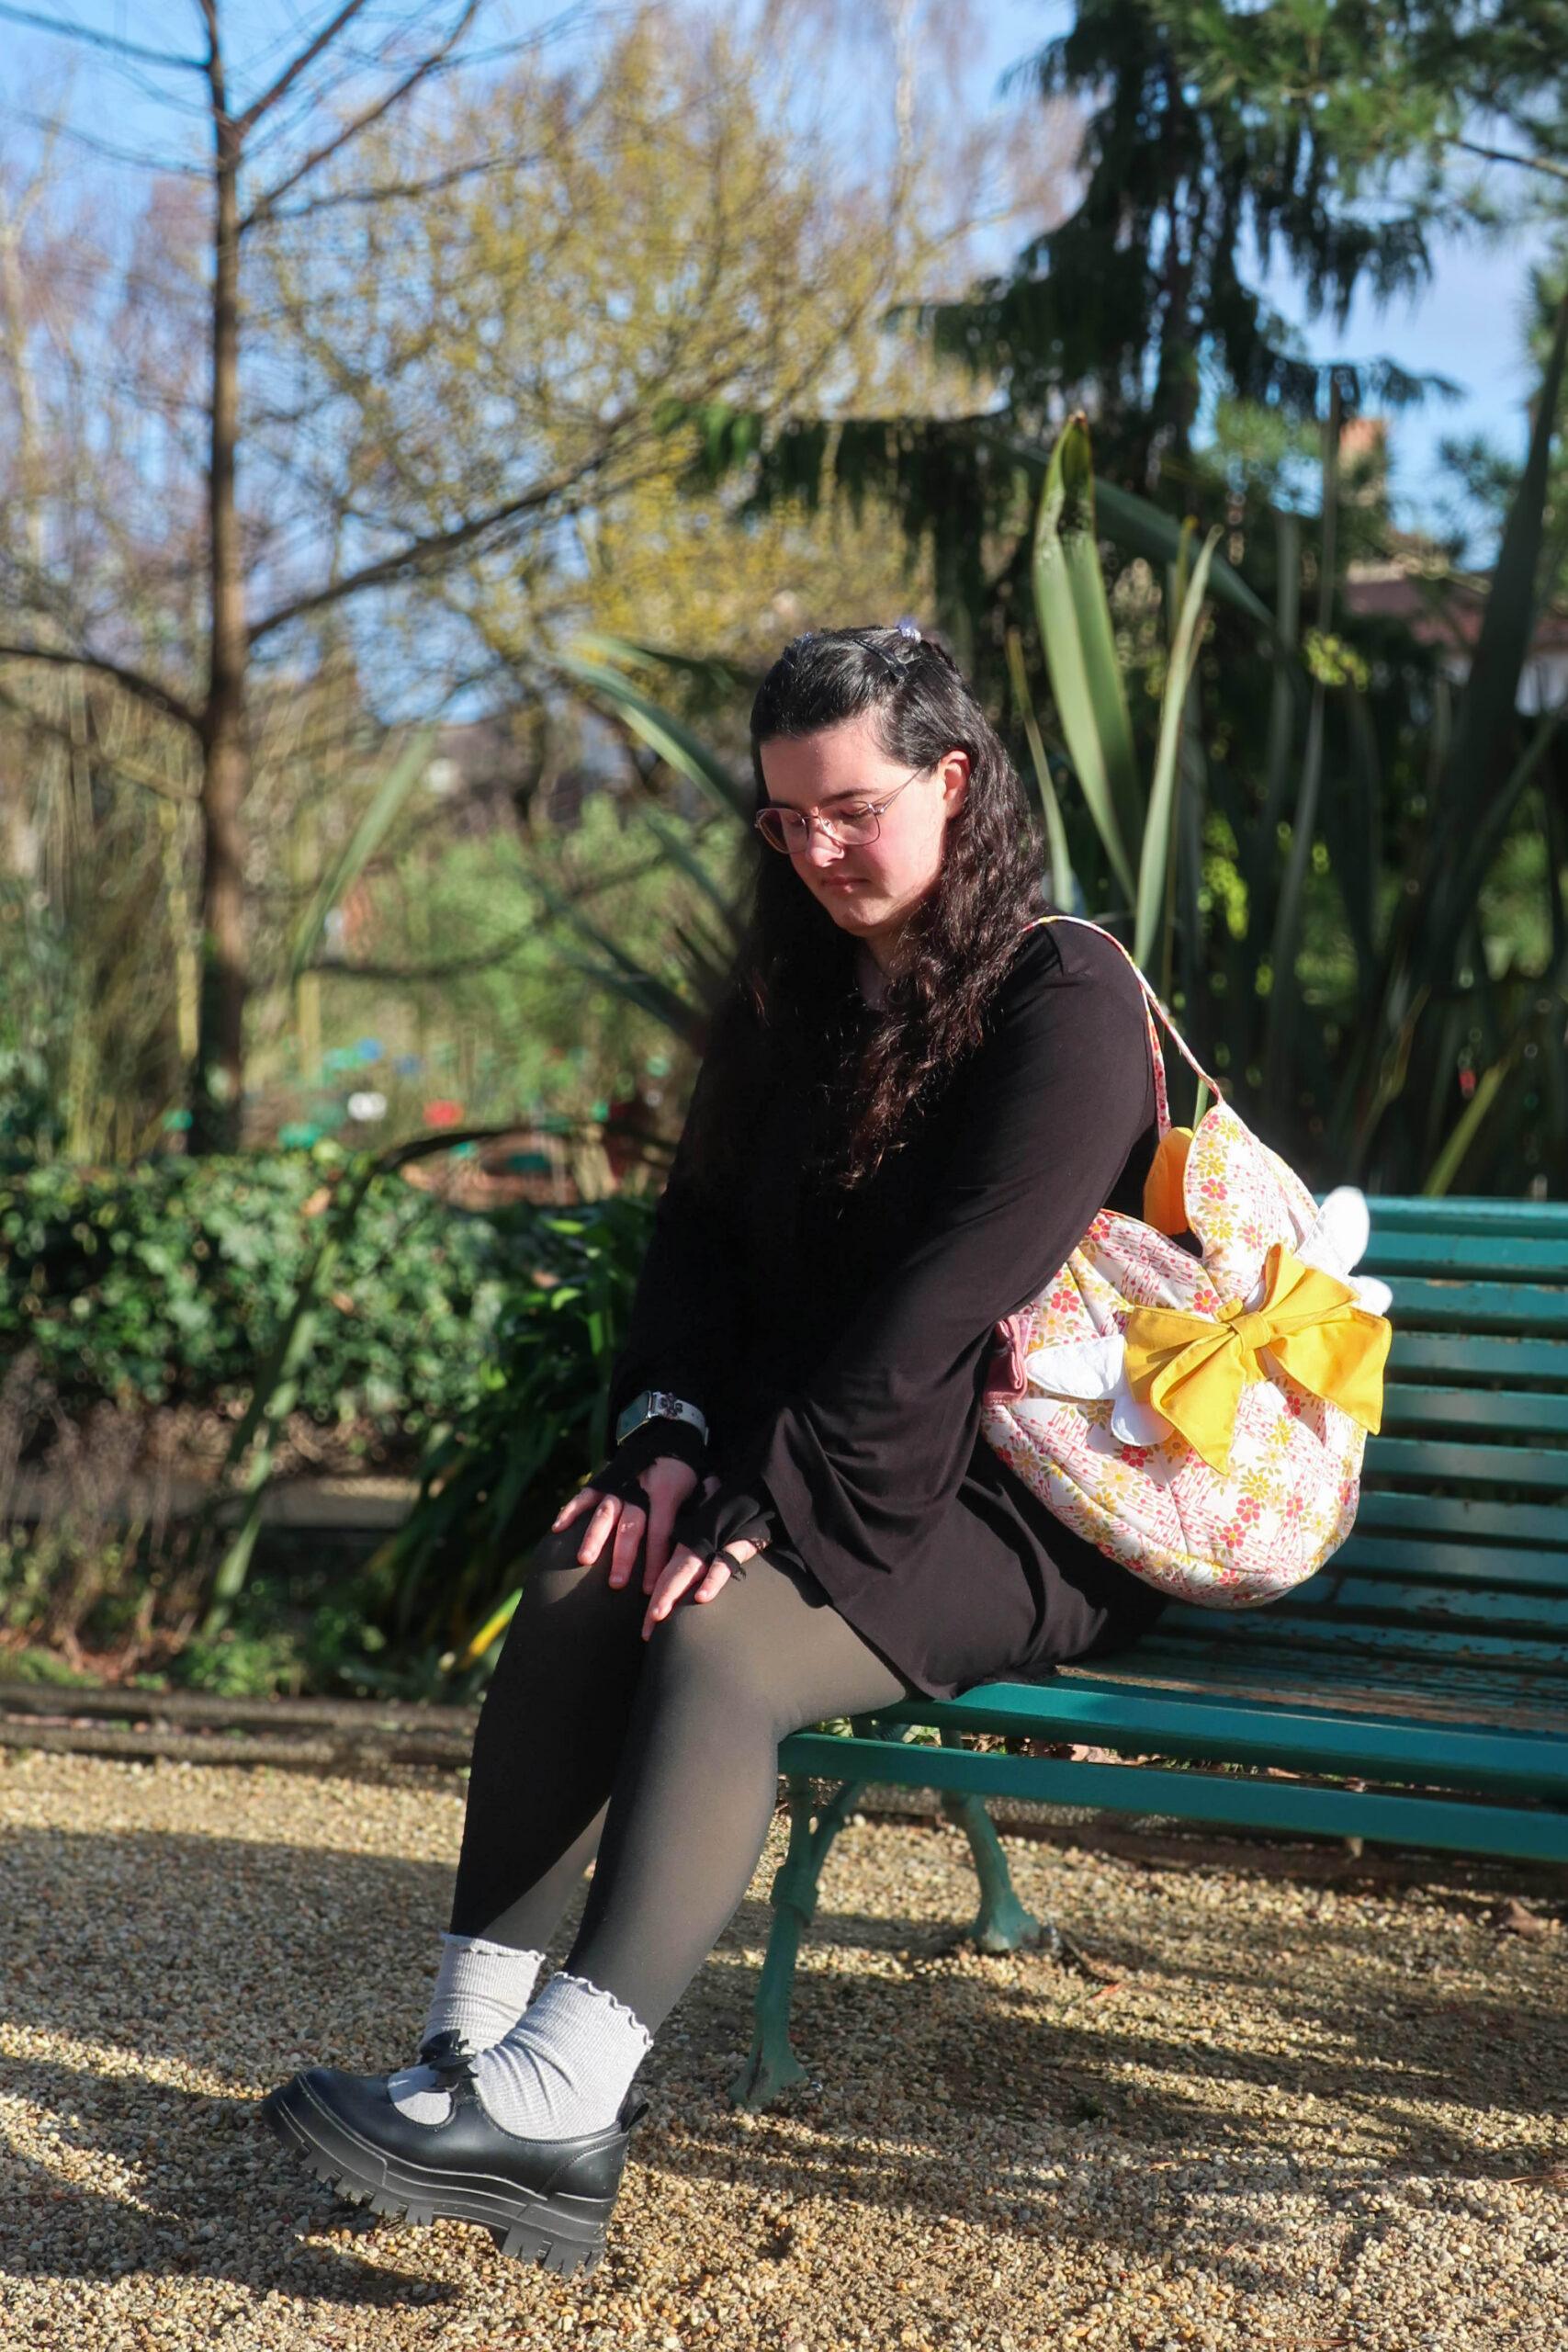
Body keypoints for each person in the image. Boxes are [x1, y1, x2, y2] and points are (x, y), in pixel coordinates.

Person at [260, 622, 1171, 2276]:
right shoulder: (793, 1003)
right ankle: (466, 2060)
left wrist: (779, 1507)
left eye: (853, 807)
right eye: (784, 818)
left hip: (1030, 1501)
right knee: (590, 1567)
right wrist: (669, 1445)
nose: (818, 849)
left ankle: (560, 2106)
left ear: (956, 783)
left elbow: (941, 1305)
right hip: (829, 1456)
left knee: (721, 1643)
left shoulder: (1068, 998)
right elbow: (689, 1259)